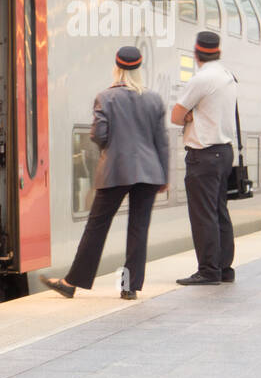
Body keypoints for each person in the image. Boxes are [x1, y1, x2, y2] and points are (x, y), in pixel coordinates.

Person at [41, 46, 168, 301]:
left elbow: (98, 135)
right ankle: (128, 287)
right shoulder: (154, 99)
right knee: (138, 228)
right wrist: (163, 175)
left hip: (115, 170)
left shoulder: (105, 98)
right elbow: (162, 141)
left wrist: (109, 147)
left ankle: (72, 282)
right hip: (149, 172)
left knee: (97, 226)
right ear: (139, 69)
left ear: (117, 68)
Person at [171, 30, 238, 286]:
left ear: (197, 53)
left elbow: (176, 116)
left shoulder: (201, 79)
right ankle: (224, 268)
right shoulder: (227, 75)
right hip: (224, 152)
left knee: (203, 214)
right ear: (217, 52)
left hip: (204, 155)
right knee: (220, 211)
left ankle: (208, 270)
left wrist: (189, 115)